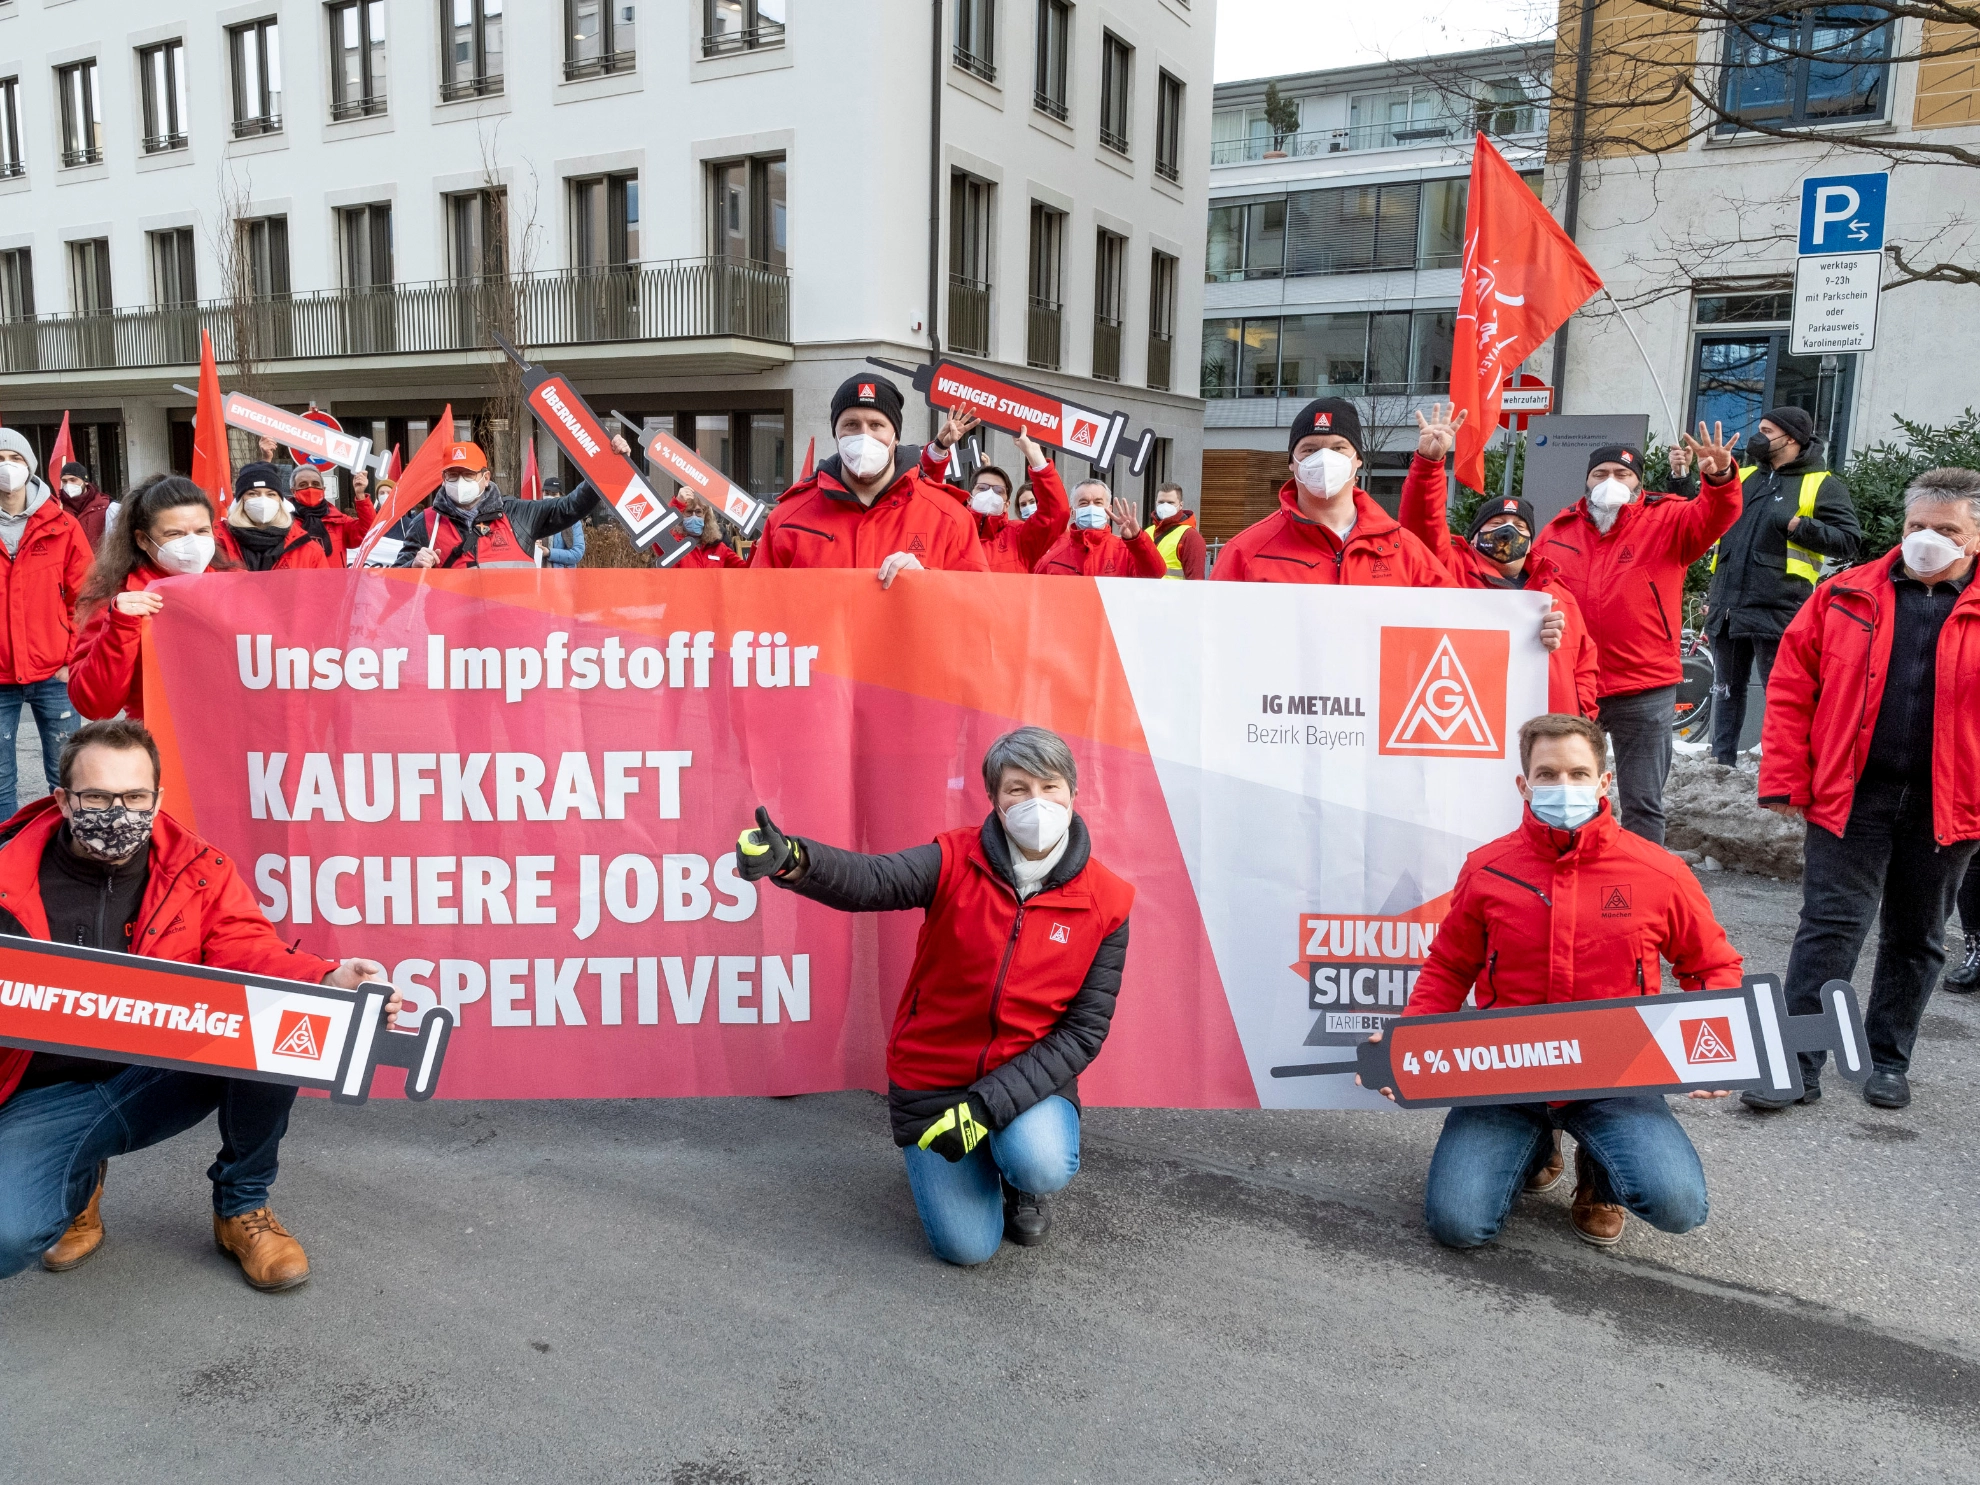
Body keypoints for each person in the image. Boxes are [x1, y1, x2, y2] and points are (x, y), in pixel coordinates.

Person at [0, 720, 397, 1289]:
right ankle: (76, 1183)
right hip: (46, 1093)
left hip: (160, 1066)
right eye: (96, 797)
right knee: (7, 1235)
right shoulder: (8, 877)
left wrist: (330, 977)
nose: (118, 814)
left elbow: (249, 949)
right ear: (63, 800)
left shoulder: (196, 869)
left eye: (135, 797)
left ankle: (241, 1206)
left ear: (157, 799)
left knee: (286, 1017)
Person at [734, 726, 1132, 1265]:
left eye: (1050, 786)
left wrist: (986, 1109)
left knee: (1038, 1160)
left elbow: (1084, 1032)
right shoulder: (953, 859)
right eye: (1017, 789)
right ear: (994, 799)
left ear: (1072, 794)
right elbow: (873, 880)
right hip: (934, 1080)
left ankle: (1017, 1178)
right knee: (967, 1248)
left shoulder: (1107, 902)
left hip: (1026, 1078)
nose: (1035, 803)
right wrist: (795, 861)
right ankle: (967, 1165)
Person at [1364, 713, 1743, 1249]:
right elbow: (1450, 966)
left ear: (1603, 781)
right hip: (1505, 1073)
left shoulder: (1659, 874)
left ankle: (1599, 1173)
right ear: (1524, 784)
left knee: (1678, 1204)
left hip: (1618, 1074)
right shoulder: (1488, 870)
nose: (1563, 787)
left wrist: (1718, 1048)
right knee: (1458, 1224)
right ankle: (1536, 1147)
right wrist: (1409, 1045)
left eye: (1577, 773)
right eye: (1547, 774)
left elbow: (1711, 965)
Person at [1751, 467, 1980, 1113]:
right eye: (1916, 526)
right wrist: (1787, 778)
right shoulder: (1845, 594)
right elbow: (1792, 690)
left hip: (1947, 804)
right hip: (1850, 794)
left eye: (1945, 529)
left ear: (1974, 539)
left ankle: (1887, 1058)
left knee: (1916, 934)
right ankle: (1797, 1063)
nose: (1926, 539)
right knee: (1828, 929)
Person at [1533, 425, 1744, 846]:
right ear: (1587, 480)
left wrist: (1719, 478)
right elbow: (1531, 592)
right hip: (1575, 685)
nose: (1610, 482)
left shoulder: (1668, 520)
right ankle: (1568, 870)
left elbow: (1716, 515)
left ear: (1638, 483)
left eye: (1622, 474)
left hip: (1644, 686)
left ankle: (1639, 886)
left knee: (1642, 803)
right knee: (1566, 796)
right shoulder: (1557, 532)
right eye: (1600, 473)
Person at [1400, 405, 1600, 718]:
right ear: (1475, 535)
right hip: (1470, 715)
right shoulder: (1450, 568)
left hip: (1543, 732)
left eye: (1520, 527)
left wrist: (1581, 716)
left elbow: (1584, 664)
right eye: (1495, 525)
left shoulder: (1557, 595)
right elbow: (1423, 521)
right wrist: (1429, 465)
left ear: (1532, 541)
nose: (1508, 532)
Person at [1701, 405, 1861, 765]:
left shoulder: (1822, 484)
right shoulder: (1744, 478)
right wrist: (1685, 477)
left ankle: (1781, 770)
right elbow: (1704, 516)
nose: (1759, 437)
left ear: (1790, 438)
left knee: (1782, 694)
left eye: (1767, 430)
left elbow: (1850, 540)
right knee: (1725, 690)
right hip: (1728, 605)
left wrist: (1795, 526)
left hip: (1780, 605)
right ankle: (1721, 764)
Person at [751, 375, 988, 584]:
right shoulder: (787, 519)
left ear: (895, 436)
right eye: (851, 424)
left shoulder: (948, 518)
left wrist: (929, 584)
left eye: (876, 425)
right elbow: (758, 612)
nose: (864, 436)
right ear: (836, 434)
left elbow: (980, 610)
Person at [1212, 398, 1456, 587]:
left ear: (1357, 458)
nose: (1324, 459)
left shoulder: (1404, 550)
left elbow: (1454, 624)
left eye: (1338, 448)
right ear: (1291, 462)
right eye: (1309, 450)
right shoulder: (1245, 552)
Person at [69, 475, 230, 723]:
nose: (192, 543)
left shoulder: (235, 586)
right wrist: (120, 626)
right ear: (143, 540)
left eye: (201, 531)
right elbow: (94, 705)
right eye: (174, 534)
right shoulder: (118, 599)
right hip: (157, 743)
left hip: (231, 740)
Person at [0, 429, 91, 819]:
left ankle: (67, 855)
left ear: (30, 466)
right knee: (0, 780)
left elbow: (85, 597)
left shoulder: (62, 524)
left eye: (15, 459)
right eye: (0, 458)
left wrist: (72, 658)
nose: (7, 468)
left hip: (54, 673)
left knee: (68, 774)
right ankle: (7, 863)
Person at [394, 441, 598, 569]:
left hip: (515, 635)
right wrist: (412, 566)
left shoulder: (518, 513)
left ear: (485, 477)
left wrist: (604, 464)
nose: (460, 481)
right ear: (443, 478)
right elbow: (393, 585)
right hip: (452, 636)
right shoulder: (427, 523)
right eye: (453, 475)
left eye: (468, 474)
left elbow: (571, 506)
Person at [920, 408, 1070, 574]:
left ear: (1006, 504)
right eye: (982, 488)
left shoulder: (1020, 538)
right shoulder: (952, 528)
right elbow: (928, 497)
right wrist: (940, 447)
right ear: (970, 498)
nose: (989, 493)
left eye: (998, 491)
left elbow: (1056, 514)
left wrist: (1034, 455)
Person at [1034, 480, 1167, 578]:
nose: (1091, 507)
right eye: (1084, 503)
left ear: (1108, 510)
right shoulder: (1051, 560)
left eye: (1098, 502)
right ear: (1072, 512)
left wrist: (1136, 539)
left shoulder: (1126, 552)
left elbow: (1156, 573)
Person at [215, 464, 334, 574]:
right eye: (253, 494)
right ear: (240, 500)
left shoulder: (308, 550)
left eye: (271, 494)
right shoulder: (216, 542)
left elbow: (323, 593)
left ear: (280, 501)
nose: (263, 500)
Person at [285, 465, 361, 566]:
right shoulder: (284, 521)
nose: (310, 488)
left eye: (315, 484)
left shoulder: (339, 520)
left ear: (323, 489)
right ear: (293, 491)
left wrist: (361, 496)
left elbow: (366, 532)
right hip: (299, 580)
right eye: (303, 485)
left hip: (333, 580)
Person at [1143, 481, 1207, 580]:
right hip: (1145, 594)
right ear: (1156, 503)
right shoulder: (1147, 532)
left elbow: (1195, 581)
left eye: (1170, 503)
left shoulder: (1190, 537)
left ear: (1181, 505)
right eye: (1161, 502)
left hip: (1174, 595)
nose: (1165, 506)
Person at [670, 495, 748, 569]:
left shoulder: (719, 547)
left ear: (705, 516)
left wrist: (758, 546)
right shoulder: (674, 545)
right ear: (681, 516)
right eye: (689, 512)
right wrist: (677, 503)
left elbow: (747, 570)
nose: (694, 517)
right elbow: (661, 531)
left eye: (698, 512)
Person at [56, 461, 112, 551]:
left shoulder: (105, 506)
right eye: (64, 481)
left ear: (85, 481)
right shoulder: (59, 509)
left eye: (73, 480)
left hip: (99, 563)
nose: (68, 484)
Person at [542, 479, 587, 568]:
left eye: (554, 494)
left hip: (564, 577)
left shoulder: (572, 521)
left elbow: (577, 553)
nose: (549, 497)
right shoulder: (536, 518)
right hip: (538, 576)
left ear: (561, 496)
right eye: (546, 494)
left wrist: (549, 553)